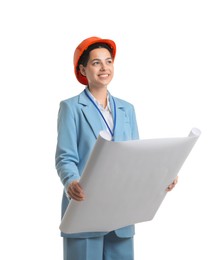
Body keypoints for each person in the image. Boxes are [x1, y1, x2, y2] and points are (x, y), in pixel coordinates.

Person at [55, 36, 178, 260]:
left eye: (109, 61)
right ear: (83, 69)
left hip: (122, 212)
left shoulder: (126, 109)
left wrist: (162, 177)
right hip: (85, 209)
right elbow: (65, 157)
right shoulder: (71, 108)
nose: (104, 67)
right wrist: (70, 181)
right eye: (96, 62)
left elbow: (137, 157)